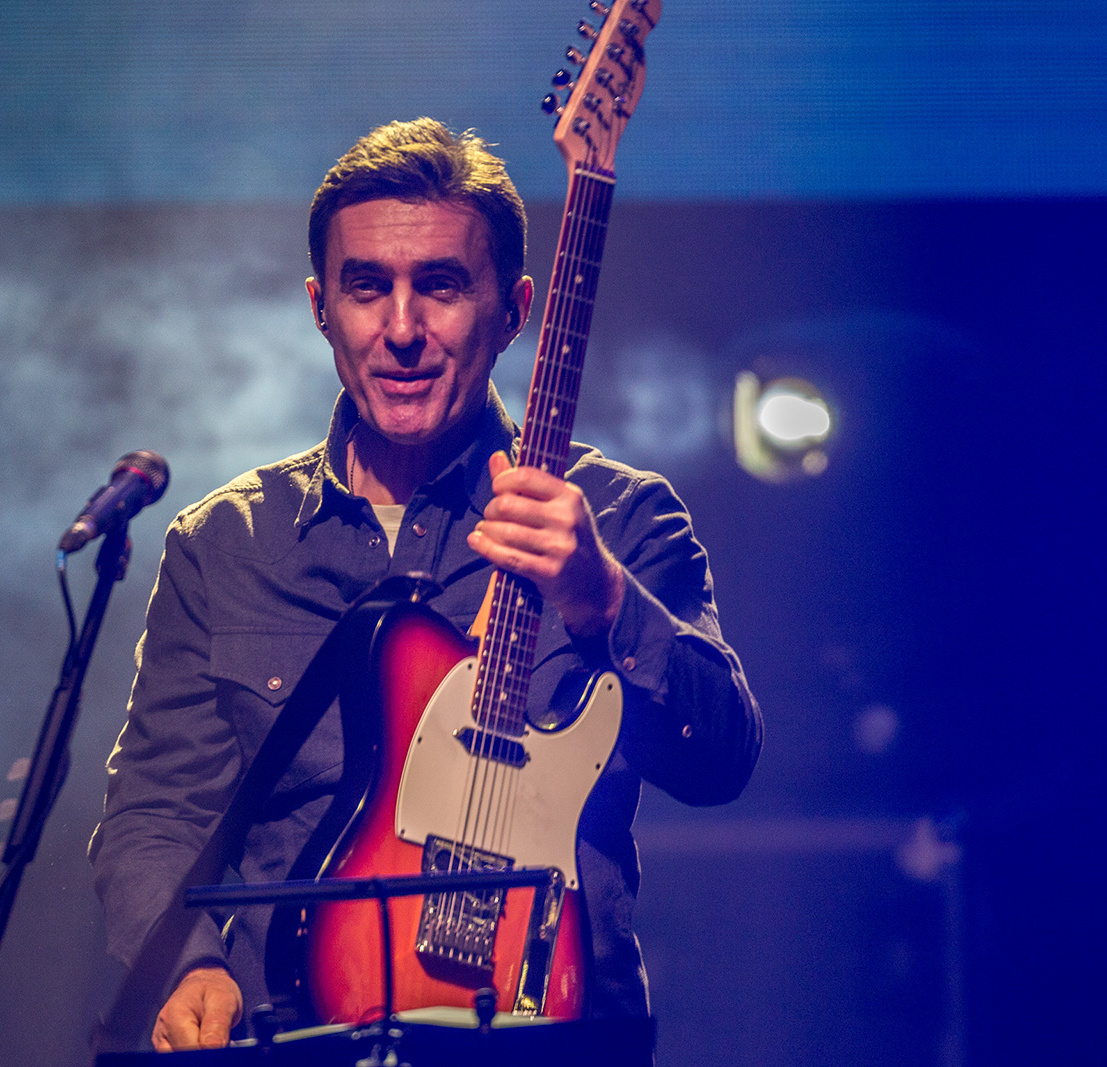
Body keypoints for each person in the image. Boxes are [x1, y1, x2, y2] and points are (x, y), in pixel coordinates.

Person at [88, 118, 761, 1053]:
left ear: (513, 309)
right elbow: (158, 813)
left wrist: (603, 599)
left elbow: (720, 758)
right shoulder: (224, 547)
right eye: (367, 286)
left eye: (440, 285)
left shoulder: (620, 517)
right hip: (300, 1038)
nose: (401, 330)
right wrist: (189, 963)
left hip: (548, 1035)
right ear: (321, 307)